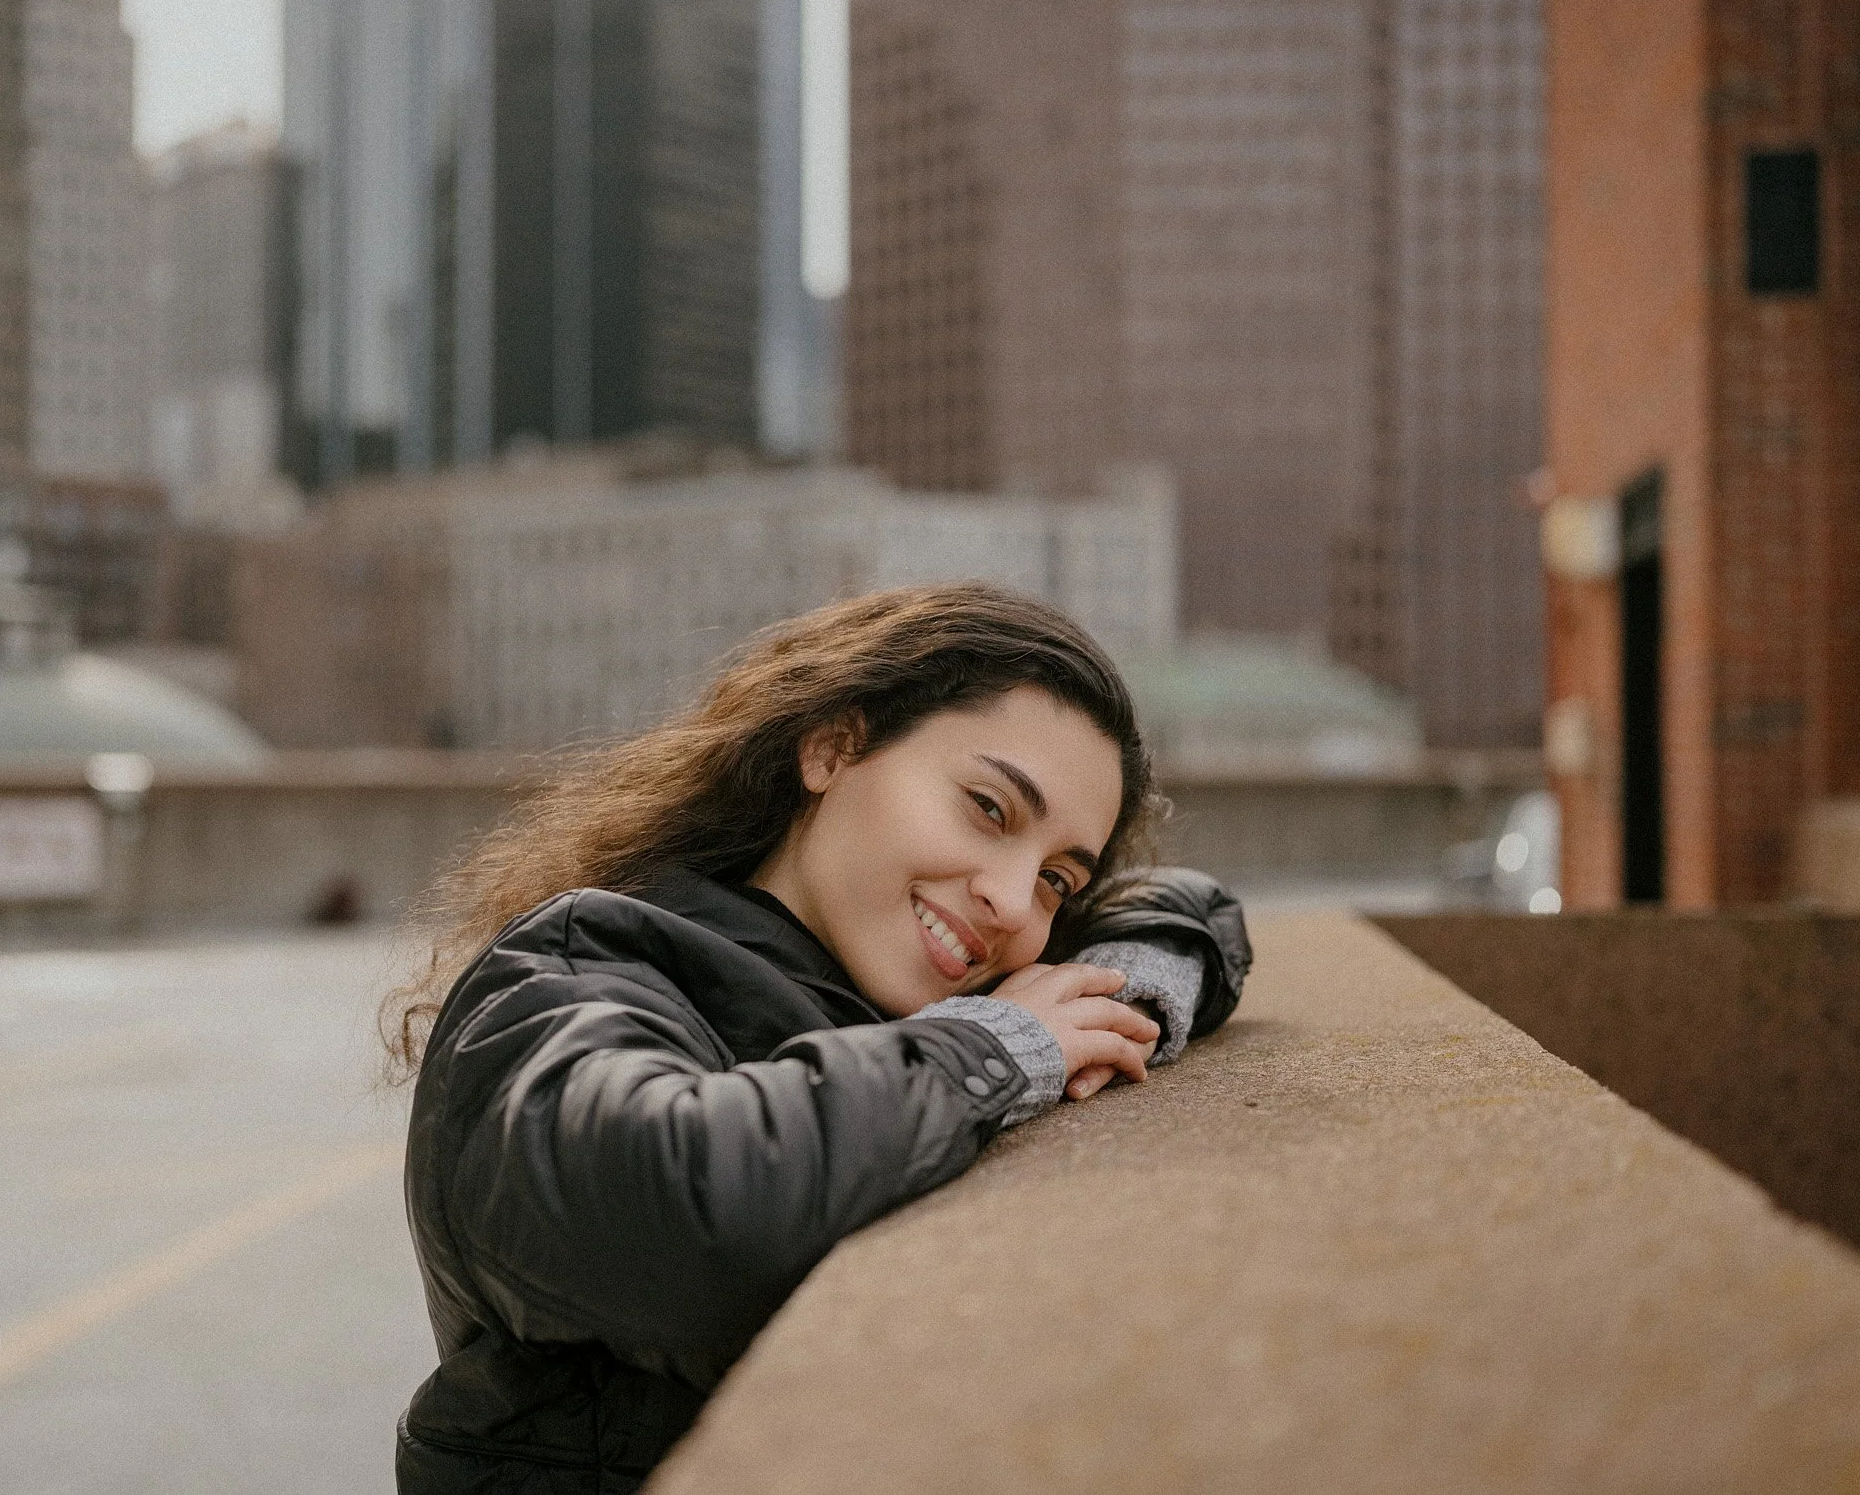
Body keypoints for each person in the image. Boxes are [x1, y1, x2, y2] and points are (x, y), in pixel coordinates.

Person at [388, 584, 1251, 1493]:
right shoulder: (571, 970)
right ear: (833, 747)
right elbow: (682, 1215)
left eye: (1057, 881)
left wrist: (1119, 996)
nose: (1010, 898)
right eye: (989, 808)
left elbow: (1190, 902)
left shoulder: (899, 996)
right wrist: (991, 1052)